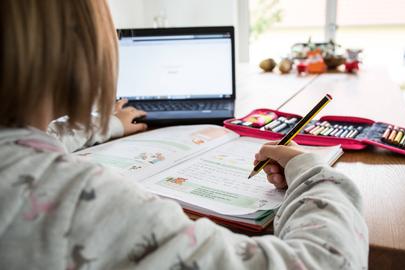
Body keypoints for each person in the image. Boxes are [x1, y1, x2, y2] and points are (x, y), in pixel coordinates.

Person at [0, 0, 369, 269]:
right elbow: (327, 262)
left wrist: (106, 125)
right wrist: (312, 170)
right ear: (78, 47)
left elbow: (30, 135)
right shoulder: (78, 201)